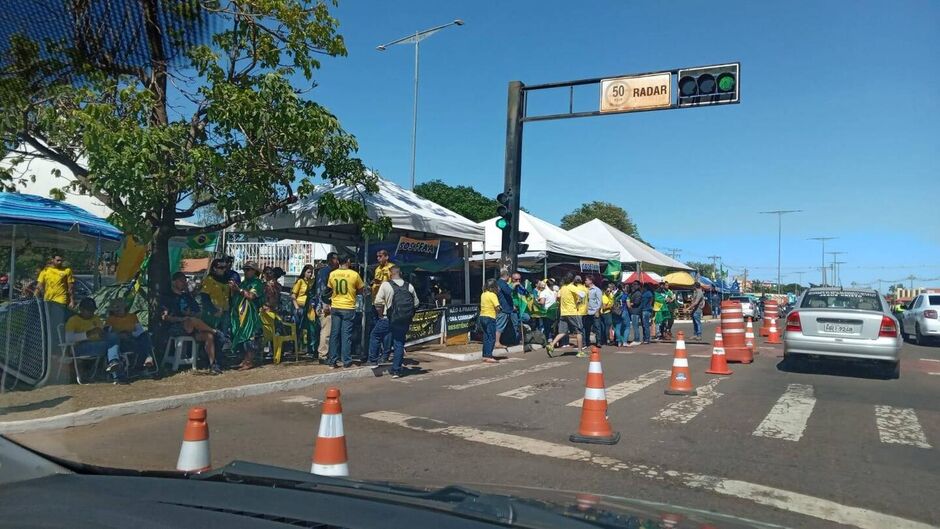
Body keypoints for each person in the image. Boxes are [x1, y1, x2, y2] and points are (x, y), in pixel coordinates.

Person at [163, 272, 223, 374]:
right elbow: (165, 317)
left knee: (208, 336)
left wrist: (191, 314)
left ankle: (213, 364)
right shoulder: (168, 297)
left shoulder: (187, 297)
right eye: (181, 280)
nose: (184, 283)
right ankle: (216, 332)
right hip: (176, 327)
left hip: (192, 328)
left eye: (185, 280)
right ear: (174, 282)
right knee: (190, 320)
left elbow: (198, 312)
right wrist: (182, 319)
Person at [369, 265, 419, 377]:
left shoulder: (386, 285)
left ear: (390, 274)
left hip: (387, 318)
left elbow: (378, 302)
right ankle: (396, 370)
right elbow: (416, 303)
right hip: (403, 320)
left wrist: (380, 314)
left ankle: (373, 360)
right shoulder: (409, 286)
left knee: (375, 335)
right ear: (400, 273)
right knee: (399, 343)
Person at [65, 297, 123, 381]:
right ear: (81, 309)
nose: (91, 312)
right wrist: (88, 334)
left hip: (98, 344)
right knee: (112, 344)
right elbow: (69, 339)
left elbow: (101, 332)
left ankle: (113, 362)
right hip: (79, 347)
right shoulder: (73, 320)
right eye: (88, 310)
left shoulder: (95, 318)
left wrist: (103, 332)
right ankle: (114, 364)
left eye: (92, 310)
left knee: (114, 336)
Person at [327, 255, 364, 368]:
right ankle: (346, 361)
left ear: (338, 261)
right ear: (348, 261)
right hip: (348, 307)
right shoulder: (354, 274)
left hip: (335, 306)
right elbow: (361, 290)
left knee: (334, 334)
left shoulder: (332, 274)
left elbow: (330, 288)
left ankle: (332, 360)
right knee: (346, 335)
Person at [228, 263, 263, 370]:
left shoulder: (257, 283)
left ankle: (249, 361)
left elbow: (251, 296)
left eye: (248, 269)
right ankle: (245, 360)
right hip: (240, 315)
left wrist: (238, 289)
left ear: (254, 271)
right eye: (244, 269)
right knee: (242, 337)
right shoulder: (244, 283)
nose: (245, 271)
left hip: (251, 316)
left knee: (250, 337)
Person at [106, 298, 154, 373]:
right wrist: (120, 335)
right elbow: (107, 333)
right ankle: (146, 357)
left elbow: (140, 330)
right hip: (121, 343)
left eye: (119, 308)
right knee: (142, 343)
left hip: (134, 339)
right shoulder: (110, 319)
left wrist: (131, 334)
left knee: (145, 335)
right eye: (114, 309)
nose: (117, 311)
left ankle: (144, 360)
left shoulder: (132, 317)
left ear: (124, 308)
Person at [547, 273, 584, 357]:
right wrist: (579, 301)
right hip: (573, 312)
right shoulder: (572, 287)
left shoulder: (562, 288)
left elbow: (557, 297)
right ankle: (580, 351)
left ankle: (551, 345)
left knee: (562, 331)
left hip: (563, 312)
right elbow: (582, 294)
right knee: (579, 331)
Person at [370, 249, 395, 360]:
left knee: (386, 330)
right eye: (377, 256)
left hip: (387, 304)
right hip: (376, 301)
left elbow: (394, 283)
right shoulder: (377, 269)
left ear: (386, 257)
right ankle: (379, 352)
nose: (378, 258)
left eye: (380, 256)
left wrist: (379, 283)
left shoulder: (392, 268)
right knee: (377, 328)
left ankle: (386, 353)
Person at [315, 252, 340, 361]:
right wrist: (324, 304)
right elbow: (322, 290)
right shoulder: (325, 272)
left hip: (333, 305)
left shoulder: (335, 272)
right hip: (325, 306)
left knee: (332, 331)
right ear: (330, 260)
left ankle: (330, 353)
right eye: (336, 259)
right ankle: (322, 355)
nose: (338, 262)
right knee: (326, 331)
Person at [292, 264, 317, 356]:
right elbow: (293, 295)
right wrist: (297, 308)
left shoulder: (311, 281)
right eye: (308, 272)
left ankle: (310, 349)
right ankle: (295, 348)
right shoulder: (300, 281)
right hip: (300, 307)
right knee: (298, 328)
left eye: (311, 272)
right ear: (304, 272)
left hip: (309, 307)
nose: (310, 274)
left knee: (311, 327)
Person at [201, 258, 232, 331]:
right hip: (213, 312)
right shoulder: (209, 280)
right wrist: (213, 310)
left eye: (225, 267)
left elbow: (229, 296)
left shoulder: (227, 280)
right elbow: (204, 297)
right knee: (214, 334)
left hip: (225, 312)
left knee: (223, 334)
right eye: (221, 268)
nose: (224, 270)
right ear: (214, 268)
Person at [479, 279, 500, 364]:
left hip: (482, 316)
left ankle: (485, 355)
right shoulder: (493, 295)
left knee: (486, 337)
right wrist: (498, 311)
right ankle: (488, 356)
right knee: (491, 337)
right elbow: (497, 307)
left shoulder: (483, 294)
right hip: (490, 317)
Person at [495, 269, 515, 348]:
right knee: (500, 325)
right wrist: (514, 285)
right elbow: (508, 291)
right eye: (509, 277)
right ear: (506, 276)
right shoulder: (502, 283)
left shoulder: (499, 283)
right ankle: (497, 342)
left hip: (504, 307)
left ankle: (498, 341)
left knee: (501, 325)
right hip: (504, 308)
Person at [584, 276, 602, 346]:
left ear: (591, 281)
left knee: (597, 327)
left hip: (594, 311)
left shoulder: (597, 290)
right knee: (587, 328)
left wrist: (597, 311)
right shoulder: (585, 289)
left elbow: (599, 301)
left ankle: (598, 342)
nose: (585, 281)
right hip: (587, 312)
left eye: (586, 280)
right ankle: (586, 341)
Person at [598, 282, 614, 346]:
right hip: (605, 313)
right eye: (608, 291)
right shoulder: (604, 297)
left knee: (608, 326)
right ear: (605, 291)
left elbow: (612, 300)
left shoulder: (610, 295)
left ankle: (605, 339)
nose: (609, 292)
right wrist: (610, 306)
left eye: (610, 291)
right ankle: (607, 340)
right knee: (607, 326)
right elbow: (604, 307)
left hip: (609, 312)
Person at [628, 281, 643, 345]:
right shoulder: (633, 293)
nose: (634, 286)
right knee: (634, 325)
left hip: (635, 311)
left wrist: (630, 303)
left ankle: (637, 339)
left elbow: (636, 302)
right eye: (633, 284)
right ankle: (636, 338)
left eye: (635, 284)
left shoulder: (638, 293)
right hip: (633, 311)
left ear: (639, 285)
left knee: (635, 326)